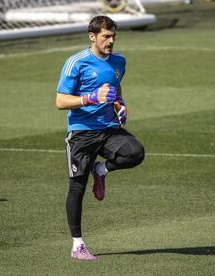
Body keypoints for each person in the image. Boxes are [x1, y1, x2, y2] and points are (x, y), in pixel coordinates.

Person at [55, 15, 145, 261]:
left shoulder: (120, 61)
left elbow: (115, 87)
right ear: (92, 36)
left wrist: (120, 104)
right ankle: (77, 244)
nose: (111, 41)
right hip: (82, 132)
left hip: (108, 129)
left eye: (113, 35)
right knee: (77, 187)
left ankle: (102, 169)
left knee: (136, 152)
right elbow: (60, 101)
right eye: (106, 36)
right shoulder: (76, 63)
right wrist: (90, 98)